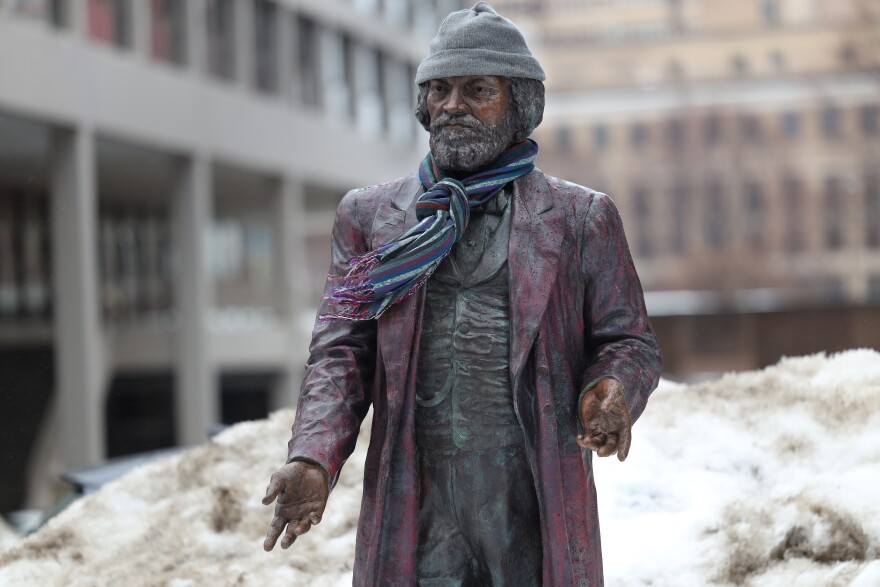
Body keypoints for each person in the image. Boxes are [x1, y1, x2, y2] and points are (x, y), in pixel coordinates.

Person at [263, 3, 662, 585]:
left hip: (531, 496)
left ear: (519, 104)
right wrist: (314, 457)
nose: (453, 105)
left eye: (478, 90)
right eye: (440, 90)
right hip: (418, 501)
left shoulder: (581, 219)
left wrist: (611, 388)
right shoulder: (370, 219)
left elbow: (627, 338)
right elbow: (340, 353)